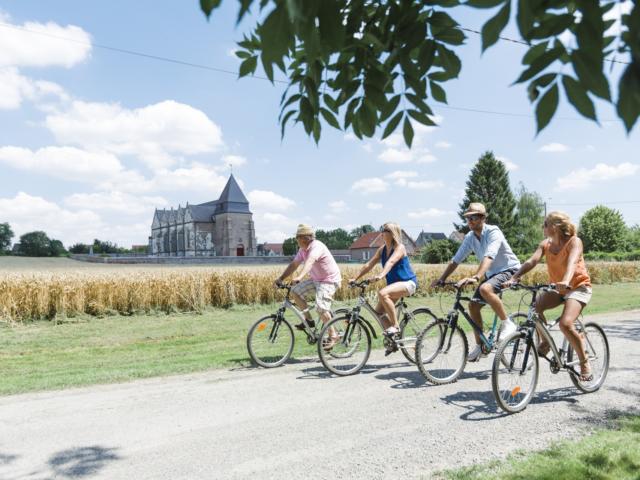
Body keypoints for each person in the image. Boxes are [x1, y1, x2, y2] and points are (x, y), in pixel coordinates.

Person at [503, 211, 593, 381]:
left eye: (544, 224)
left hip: (578, 287)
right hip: (558, 288)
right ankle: (545, 342)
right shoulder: (546, 244)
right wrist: (515, 277)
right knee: (534, 308)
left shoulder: (575, 242)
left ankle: (584, 362)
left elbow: (573, 262)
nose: (542, 227)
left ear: (554, 226)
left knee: (566, 324)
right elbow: (532, 261)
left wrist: (566, 280)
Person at [431, 202, 521, 361]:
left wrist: (477, 276)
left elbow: (489, 256)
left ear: (483, 218)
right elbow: (456, 260)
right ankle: (480, 346)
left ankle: (508, 324)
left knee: (486, 289)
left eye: (474, 217)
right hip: (492, 274)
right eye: (468, 218)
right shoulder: (470, 237)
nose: (470, 221)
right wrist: (442, 279)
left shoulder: (494, 232)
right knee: (472, 305)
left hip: (510, 270)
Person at [350, 222, 418, 354]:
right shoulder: (382, 249)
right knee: (379, 313)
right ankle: (394, 341)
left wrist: (381, 274)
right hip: (394, 286)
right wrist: (356, 278)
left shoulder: (400, 247)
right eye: (381, 229)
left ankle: (396, 327)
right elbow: (368, 264)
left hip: (408, 283)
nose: (381, 232)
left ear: (392, 233)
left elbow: (391, 262)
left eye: (385, 230)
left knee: (383, 293)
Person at [274, 224, 342, 341]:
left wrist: (300, 276)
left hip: (329, 281)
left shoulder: (317, 247)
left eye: (298, 237)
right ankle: (309, 321)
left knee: (320, 308)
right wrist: (281, 278)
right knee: (295, 291)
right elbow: (294, 264)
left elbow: (310, 261)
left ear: (306, 238)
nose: (296, 240)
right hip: (316, 280)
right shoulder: (302, 250)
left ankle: (333, 335)